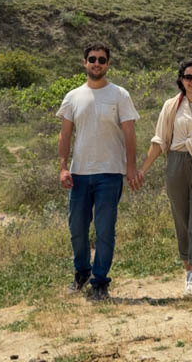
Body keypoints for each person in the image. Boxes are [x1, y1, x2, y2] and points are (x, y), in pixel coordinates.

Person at [137, 58, 192, 298]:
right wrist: (144, 168)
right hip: (176, 164)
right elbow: (159, 140)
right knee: (182, 220)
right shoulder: (171, 106)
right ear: (181, 80)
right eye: (188, 77)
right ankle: (189, 273)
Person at [57, 43, 140, 300]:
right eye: (92, 59)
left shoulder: (120, 95)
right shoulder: (73, 97)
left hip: (110, 173)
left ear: (108, 64)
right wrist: (62, 167)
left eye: (101, 60)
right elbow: (65, 133)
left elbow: (129, 132)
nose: (96, 63)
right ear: (84, 62)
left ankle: (100, 282)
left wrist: (131, 166)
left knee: (105, 229)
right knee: (77, 228)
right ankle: (82, 273)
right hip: (79, 173)